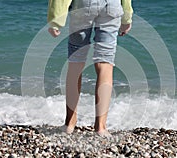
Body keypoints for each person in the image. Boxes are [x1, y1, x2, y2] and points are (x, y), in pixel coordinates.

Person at [47, 0, 133, 136]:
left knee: (76, 62)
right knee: (105, 63)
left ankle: (69, 124)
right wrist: (127, 17)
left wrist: (55, 20)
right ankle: (101, 127)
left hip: (83, 6)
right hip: (111, 6)